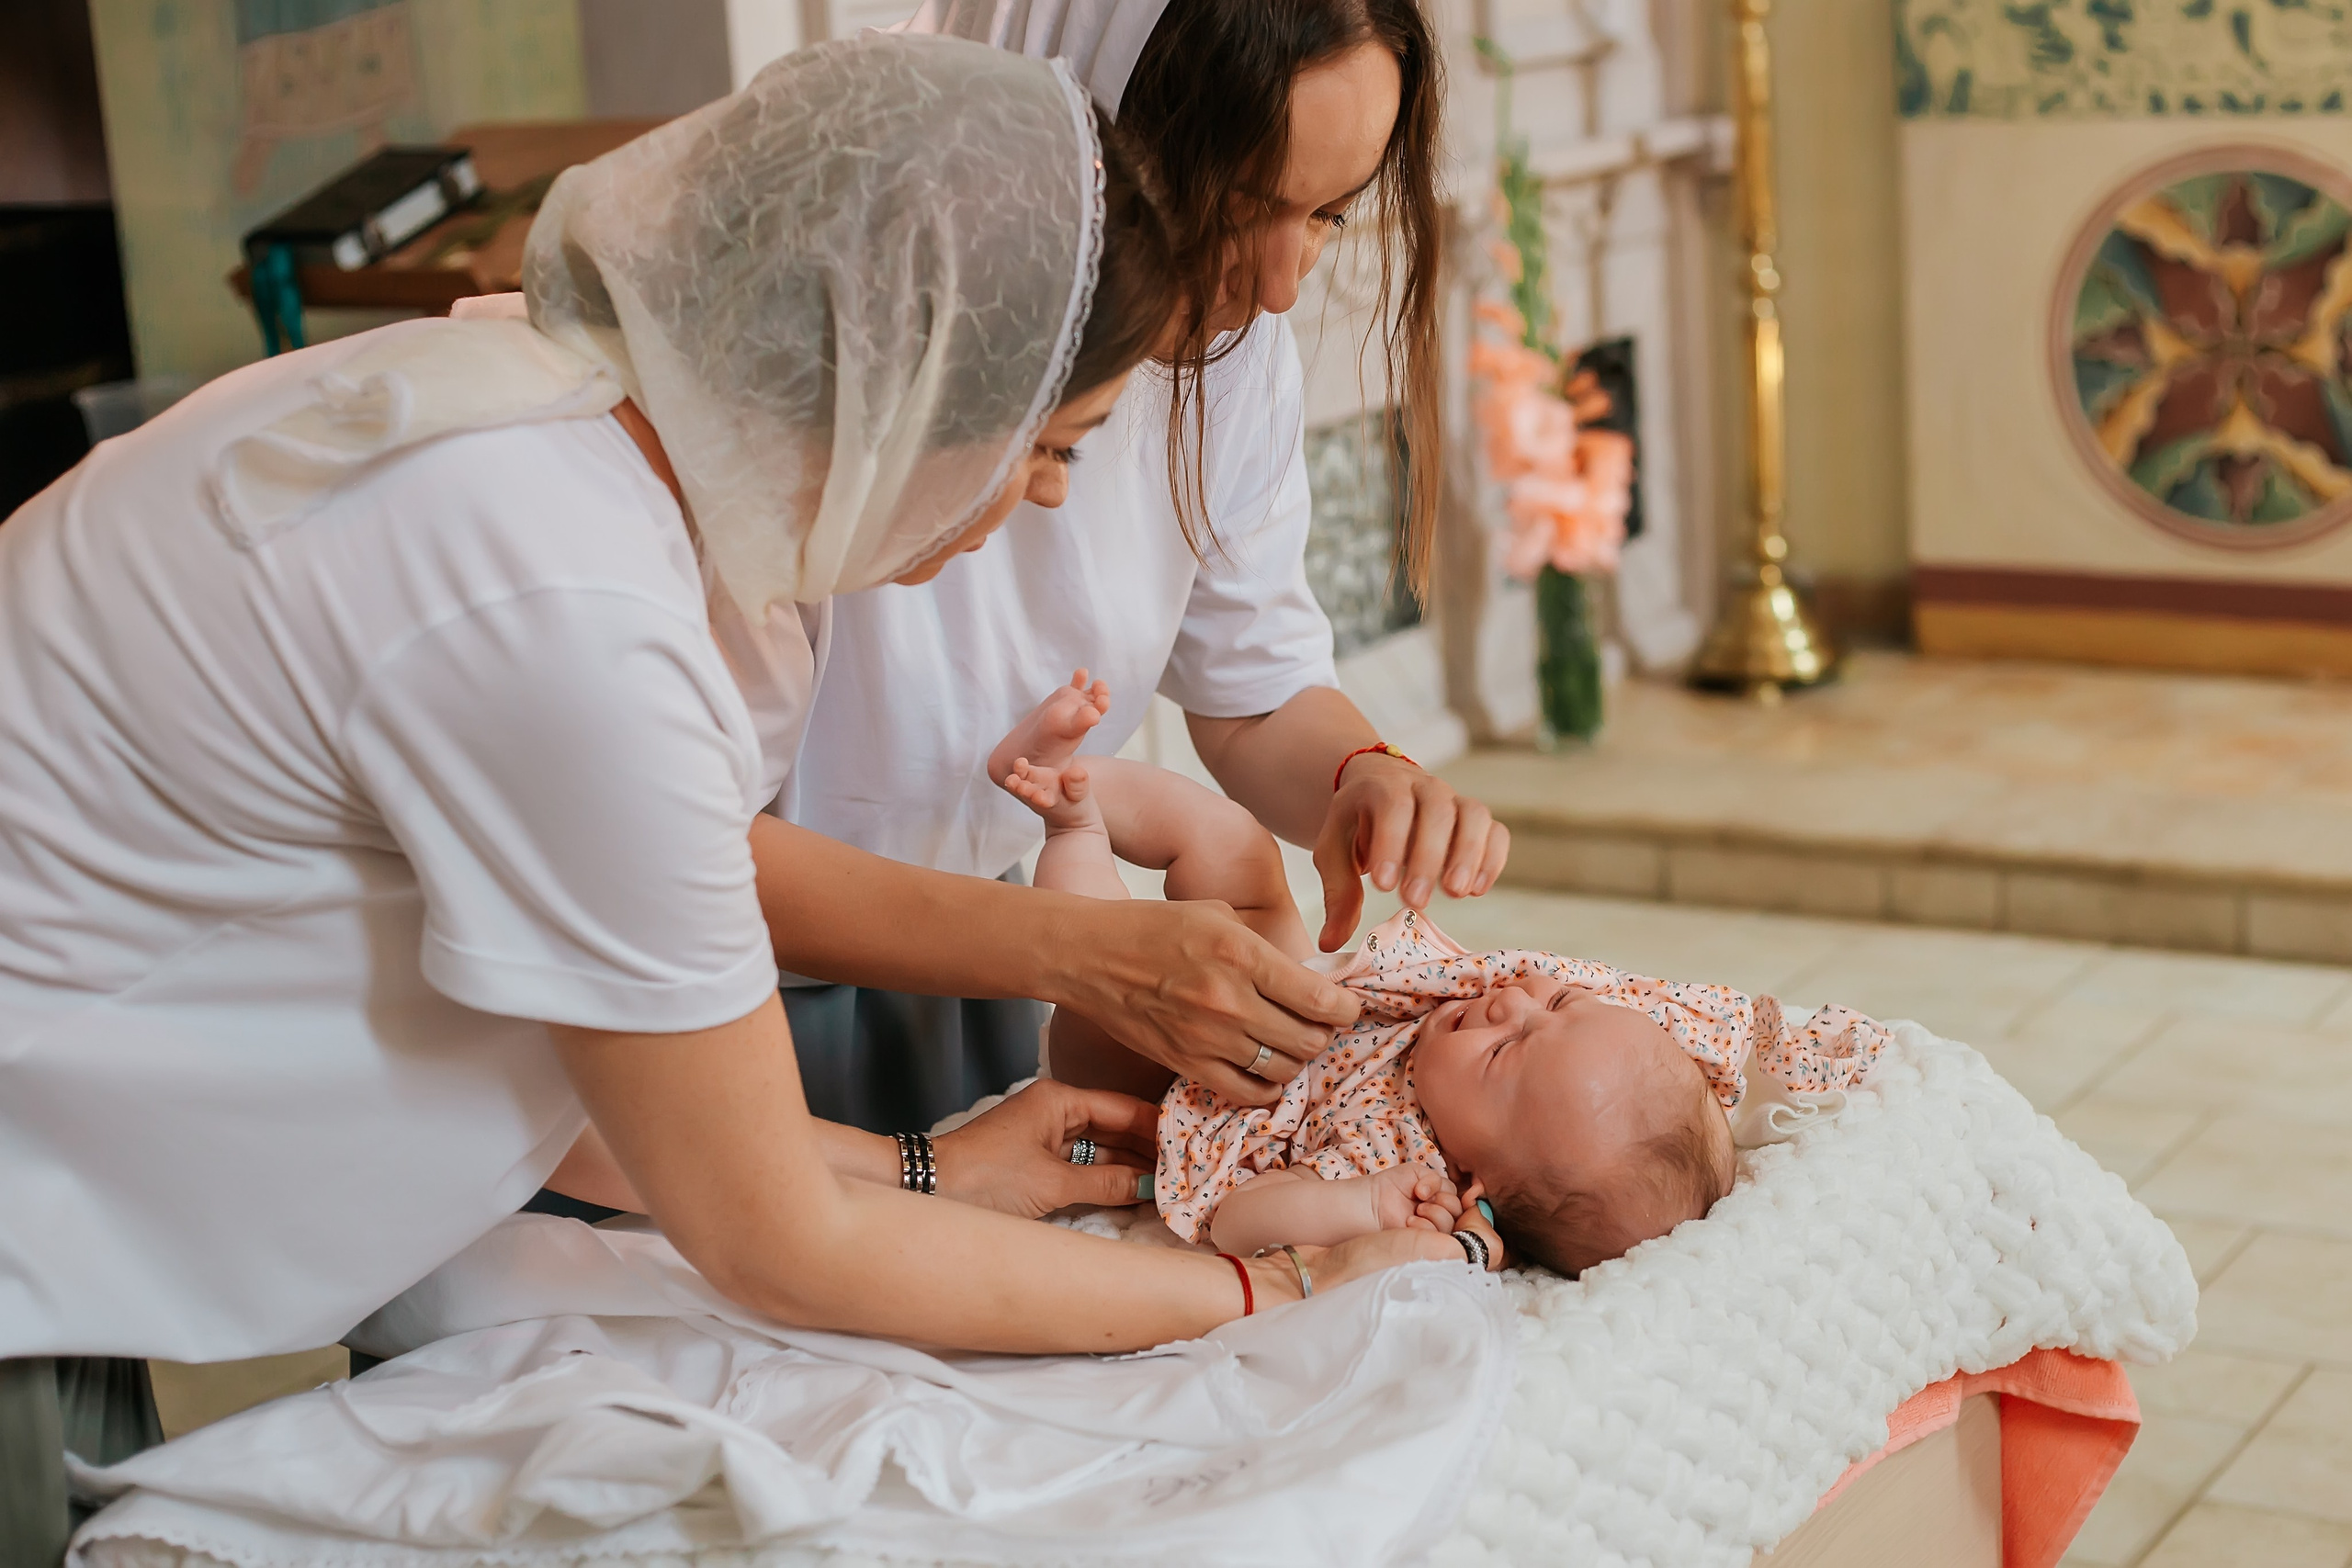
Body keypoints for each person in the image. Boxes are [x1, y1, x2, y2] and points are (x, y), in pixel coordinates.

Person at [0, 38, 1460, 1566]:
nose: (1043, 501)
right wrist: (1262, 1298)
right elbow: (770, 1234)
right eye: (1050, 445)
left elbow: (615, 1014)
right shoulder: (565, 603)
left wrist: (934, 1166)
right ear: (909, 383)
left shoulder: (580, 437)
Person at [776, 0, 1509, 1134]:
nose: (1277, 288)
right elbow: (678, 851)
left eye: (1328, 214)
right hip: (742, 981)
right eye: (1241, 209)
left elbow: (1253, 686)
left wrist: (1362, 774)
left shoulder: (1230, 354)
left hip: (991, 968)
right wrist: (1084, 948)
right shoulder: (827, 336)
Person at [985, 689, 1890, 1273]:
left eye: (1503, 1053)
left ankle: (1069, 829)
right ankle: (1071, 774)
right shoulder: (1605, 1037)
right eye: (1557, 1005)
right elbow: (1733, 1029)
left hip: (1176, 1084)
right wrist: (1836, 1054)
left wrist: (1361, 1208)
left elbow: (1238, 1224)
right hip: (1289, 988)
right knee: (1232, 847)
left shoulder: (1400, 1166)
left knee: (1126, 944)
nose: (1511, 1002)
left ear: (1473, 1175)